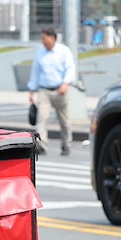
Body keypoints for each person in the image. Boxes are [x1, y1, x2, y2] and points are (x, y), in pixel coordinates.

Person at [26, 27, 76, 157]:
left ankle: (66, 144)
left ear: (52, 38)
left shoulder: (64, 51)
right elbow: (35, 73)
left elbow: (70, 68)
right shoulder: (40, 54)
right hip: (44, 91)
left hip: (60, 90)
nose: (43, 41)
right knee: (41, 119)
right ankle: (42, 145)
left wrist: (66, 83)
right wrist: (32, 90)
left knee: (64, 120)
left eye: (44, 38)